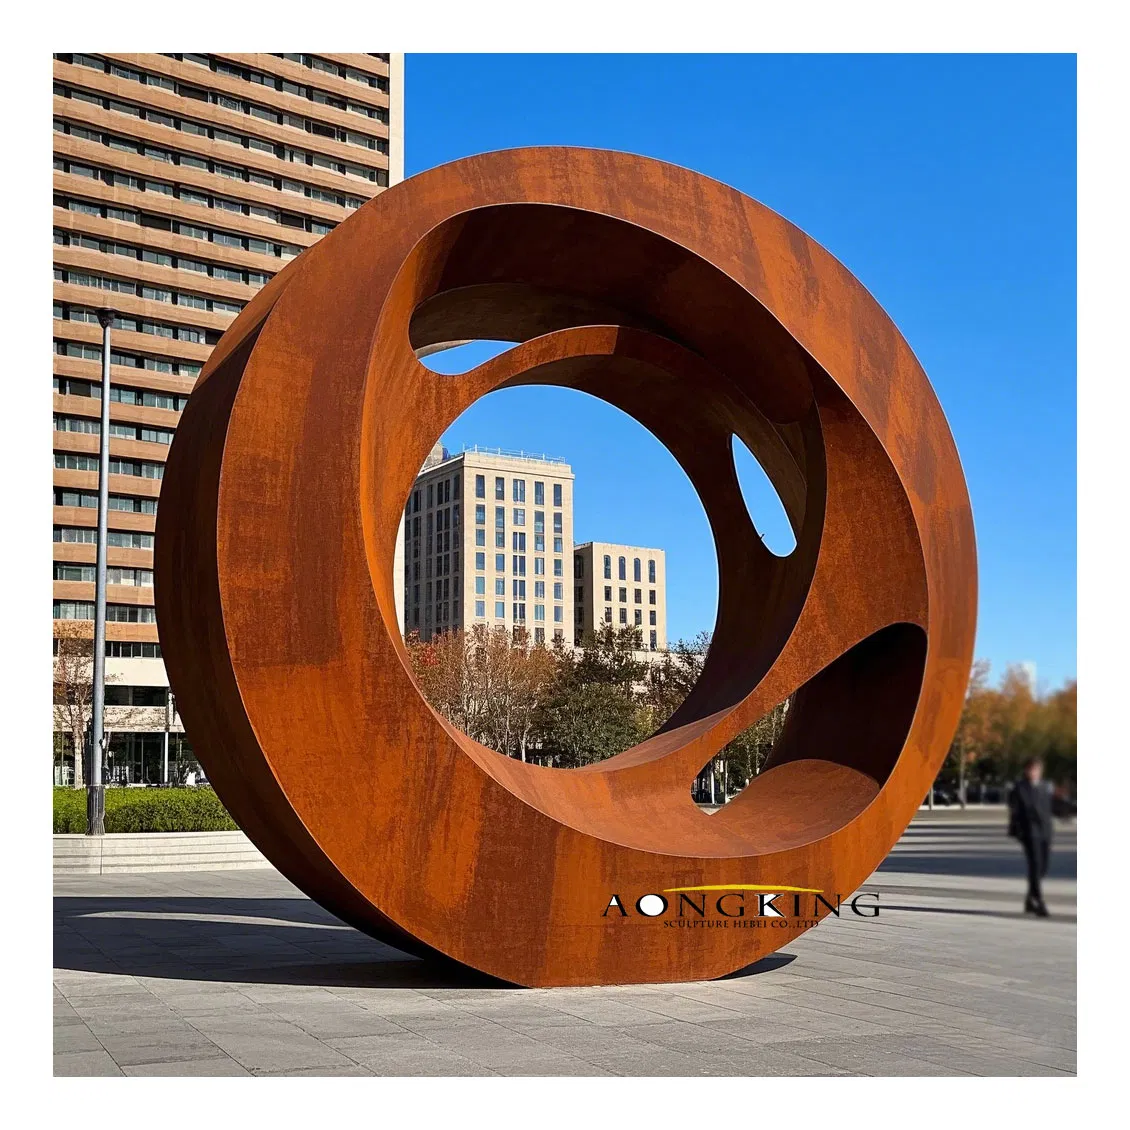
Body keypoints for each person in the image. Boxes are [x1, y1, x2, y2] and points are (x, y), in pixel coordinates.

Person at [1008, 756, 1054, 917]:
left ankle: (1029, 899)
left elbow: (1053, 806)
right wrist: (1016, 830)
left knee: (1043, 867)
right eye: (1032, 769)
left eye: (1037, 769)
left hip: (1045, 831)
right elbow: (1015, 811)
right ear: (1026, 770)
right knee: (1035, 866)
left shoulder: (1045, 786)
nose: (1034, 772)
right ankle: (1038, 901)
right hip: (1029, 832)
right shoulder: (1019, 788)